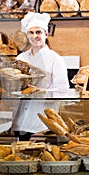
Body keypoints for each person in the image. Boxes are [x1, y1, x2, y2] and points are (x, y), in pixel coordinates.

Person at [11, 12, 70, 141]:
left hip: (43, 125)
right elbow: (14, 85)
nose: (35, 36)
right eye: (31, 33)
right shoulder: (21, 58)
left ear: (46, 34)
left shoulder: (55, 59)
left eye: (38, 32)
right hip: (20, 122)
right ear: (27, 35)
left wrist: (41, 92)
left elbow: (63, 92)